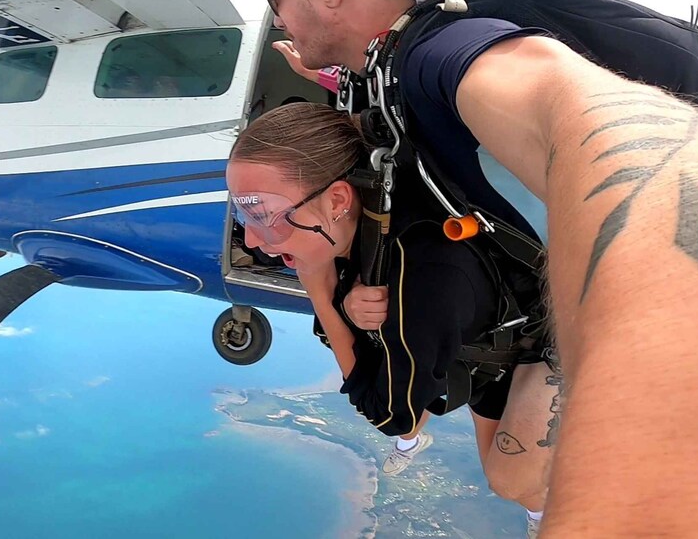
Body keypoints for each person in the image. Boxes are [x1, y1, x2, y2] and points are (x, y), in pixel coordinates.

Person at [260, 0, 698, 536]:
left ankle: (539, 504)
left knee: (510, 473)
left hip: (542, 312)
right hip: (509, 299)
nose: (278, 18)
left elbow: (585, 114)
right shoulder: (383, 67)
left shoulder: (440, 51)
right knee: (497, 454)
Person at [227, 102, 559, 537]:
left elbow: (391, 417)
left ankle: (546, 514)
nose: (253, 240)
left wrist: (321, 292)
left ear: (338, 200)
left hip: (549, 337)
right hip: (490, 337)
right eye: (242, 213)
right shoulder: (365, 217)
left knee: (510, 479)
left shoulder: (421, 271)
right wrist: (346, 301)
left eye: (264, 214)